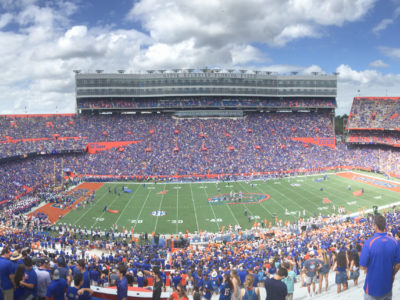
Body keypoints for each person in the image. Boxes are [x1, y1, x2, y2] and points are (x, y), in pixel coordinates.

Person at [360, 214, 400, 299]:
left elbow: (362, 266)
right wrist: (392, 275)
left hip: (371, 288)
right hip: (387, 286)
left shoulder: (368, 243)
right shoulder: (394, 242)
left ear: (375, 226)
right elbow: (398, 264)